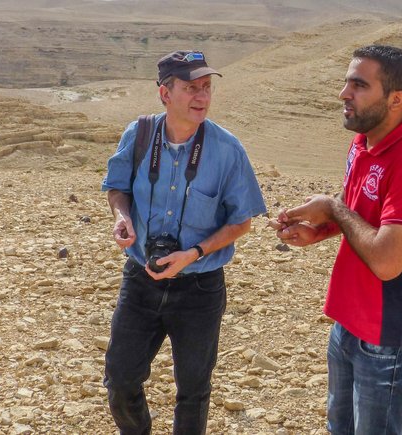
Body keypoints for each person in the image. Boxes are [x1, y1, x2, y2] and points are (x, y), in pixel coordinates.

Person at [269, 45, 402, 434]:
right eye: (347, 81)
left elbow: (386, 261)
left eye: (359, 84)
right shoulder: (363, 143)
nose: (343, 93)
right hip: (349, 322)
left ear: (396, 99)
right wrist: (319, 231)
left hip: (390, 339)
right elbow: (362, 212)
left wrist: (333, 209)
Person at [101, 50, 267, 435]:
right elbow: (116, 187)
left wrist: (193, 253)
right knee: (121, 380)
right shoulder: (138, 133)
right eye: (192, 88)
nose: (202, 97)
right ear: (165, 93)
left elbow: (241, 221)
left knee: (193, 390)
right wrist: (122, 218)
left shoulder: (228, 150)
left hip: (200, 287)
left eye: (207, 88)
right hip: (141, 278)